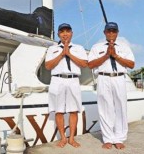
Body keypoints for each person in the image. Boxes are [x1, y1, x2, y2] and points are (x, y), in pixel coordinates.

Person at [88, 22, 135, 150]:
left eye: (114, 31)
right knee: (105, 109)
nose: (111, 33)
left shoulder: (124, 47)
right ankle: (108, 138)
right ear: (104, 33)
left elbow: (131, 64)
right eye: (109, 31)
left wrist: (115, 56)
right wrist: (106, 56)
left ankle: (119, 138)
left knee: (121, 108)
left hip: (119, 78)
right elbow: (91, 64)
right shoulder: (96, 47)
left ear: (117, 32)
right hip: (103, 77)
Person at [45, 23, 88, 148]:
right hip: (57, 80)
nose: (65, 34)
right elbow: (48, 66)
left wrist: (69, 54)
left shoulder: (79, 48)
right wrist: (61, 54)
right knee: (59, 111)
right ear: (58, 34)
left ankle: (72, 138)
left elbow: (84, 64)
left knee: (73, 110)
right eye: (62, 31)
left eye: (67, 31)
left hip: (73, 79)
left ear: (72, 33)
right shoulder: (52, 49)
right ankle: (63, 138)